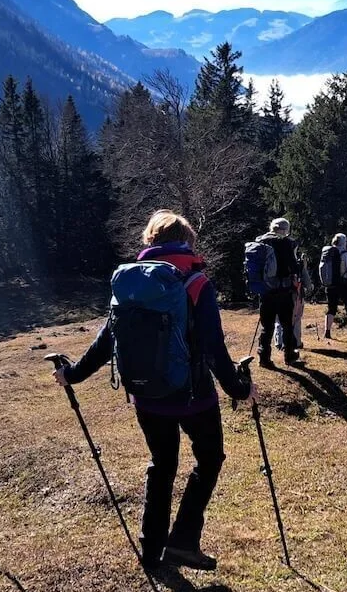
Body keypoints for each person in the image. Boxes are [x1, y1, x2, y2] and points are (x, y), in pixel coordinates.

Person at [49, 210, 253, 572]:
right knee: (209, 459)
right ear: (187, 242)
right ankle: (184, 542)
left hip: (146, 396)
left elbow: (105, 339)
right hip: (193, 395)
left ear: (149, 242)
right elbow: (212, 346)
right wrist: (238, 388)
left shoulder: (128, 285)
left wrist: (74, 374)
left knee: (162, 465)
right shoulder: (196, 282)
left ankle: (151, 549)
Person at [254, 218, 301, 368]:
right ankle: (290, 355)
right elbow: (293, 267)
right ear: (285, 229)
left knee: (266, 326)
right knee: (287, 324)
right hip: (283, 290)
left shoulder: (260, 242)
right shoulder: (286, 243)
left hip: (266, 291)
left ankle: (264, 358)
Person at [322, 233, 347, 338]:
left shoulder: (327, 253)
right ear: (344, 242)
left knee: (331, 308)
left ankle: (327, 331)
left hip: (330, 284)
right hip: (344, 284)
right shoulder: (346, 254)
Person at [276, 248, 313, 352]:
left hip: (275, 293)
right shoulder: (296, 264)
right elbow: (308, 284)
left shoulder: (273, 261)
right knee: (295, 319)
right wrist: (304, 267)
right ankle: (296, 342)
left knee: (278, 319)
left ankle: (278, 342)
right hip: (295, 295)